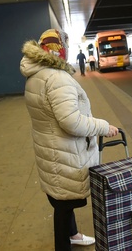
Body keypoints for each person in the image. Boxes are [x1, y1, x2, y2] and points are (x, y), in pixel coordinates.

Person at [20, 29, 119, 251]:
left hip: (53, 150)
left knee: (62, 199)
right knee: (64, 205)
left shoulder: (35, 75)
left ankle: (73, 235)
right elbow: (71, 122)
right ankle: (63, 246)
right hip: (65, 152)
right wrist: (103, 126)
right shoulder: (56, 78)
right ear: (60, 51)